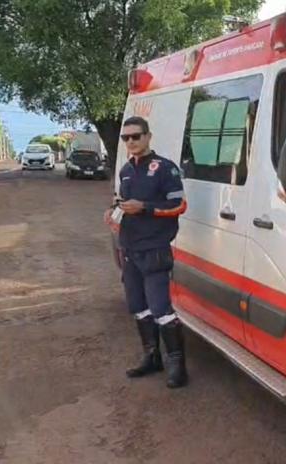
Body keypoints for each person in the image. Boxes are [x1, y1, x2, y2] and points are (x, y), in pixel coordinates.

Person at [104, 116, 189, 389]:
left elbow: (178, 206)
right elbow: (121, 203)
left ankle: (178, 366)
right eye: (126, 138)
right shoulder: (126, 170)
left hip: (154, 250)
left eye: (136, 136)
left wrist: (146, 208)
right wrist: (113, 214)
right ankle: (152, 357)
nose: (131, 142)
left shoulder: (165, 168)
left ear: (148, 136)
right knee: (138, 308)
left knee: (161, 308)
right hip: (129, 249)